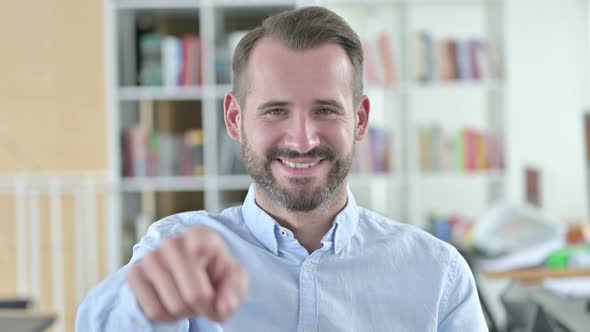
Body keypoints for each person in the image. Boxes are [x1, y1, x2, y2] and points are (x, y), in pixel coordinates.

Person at [76, 6, 487, 331]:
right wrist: (143, 300)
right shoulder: (176, 250)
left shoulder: (438, 274)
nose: (303, 140)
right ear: (235, 119)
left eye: (325, 110)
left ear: (360, 120)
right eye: (276, 111)